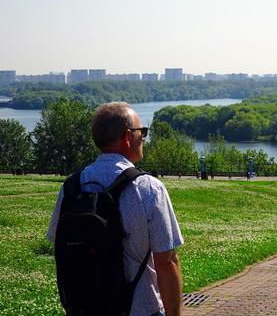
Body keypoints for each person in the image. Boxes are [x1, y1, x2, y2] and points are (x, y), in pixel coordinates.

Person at [47, 102, 184, 316]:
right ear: (128, 137)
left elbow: (59, 244)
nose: (144, 139)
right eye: (142, 132)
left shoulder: (72, 186)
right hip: (139, 309)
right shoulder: (148, 188)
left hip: (84, 308)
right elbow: (166, 262)